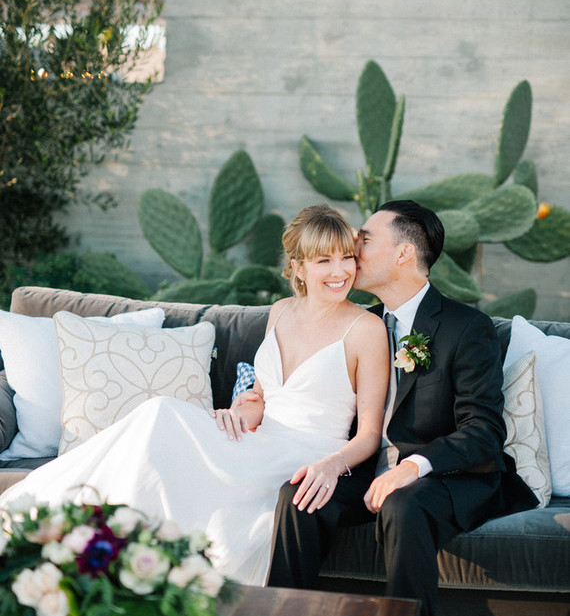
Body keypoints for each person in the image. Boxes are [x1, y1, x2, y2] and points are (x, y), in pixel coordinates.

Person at [0, 205, 389, 588]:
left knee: (167, 429)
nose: (340, 271)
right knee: (159, 414)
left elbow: (369, 435)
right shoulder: (281, 311)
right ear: (299, 267)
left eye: (347, 258)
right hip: (258, 439)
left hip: (306, 454)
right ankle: (84, 534)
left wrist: (332, 466)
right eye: (324, 260)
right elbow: (262, 394)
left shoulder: (366, 329)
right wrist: (240, 411)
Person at [266, 200, 538, 616]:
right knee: (298, 495)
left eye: (365, 239)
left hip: (448, 478)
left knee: (403, 501)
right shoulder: (357, 323)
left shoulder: (465, 327)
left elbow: (483, 431)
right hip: (368, 471)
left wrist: (413, 466)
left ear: (405, 252)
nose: (353, 248)